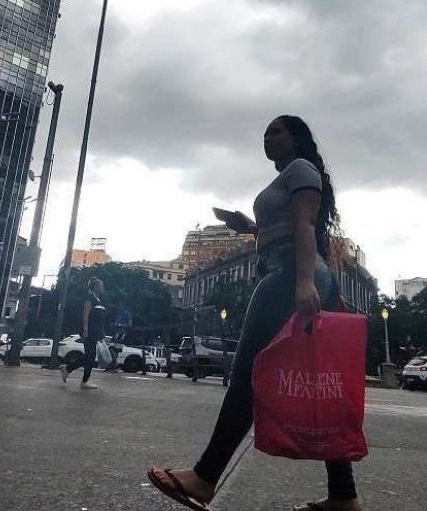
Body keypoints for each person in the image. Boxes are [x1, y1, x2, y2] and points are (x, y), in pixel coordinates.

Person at [148, 115, 360, 511]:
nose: (267, 137)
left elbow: (305, 223)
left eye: (276, 131)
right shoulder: (292, 175)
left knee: (249, 374)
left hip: (289, 271)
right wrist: (248, 226)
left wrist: (302, 282)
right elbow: (285, 226)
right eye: (264, 132)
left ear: (297, 139)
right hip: (296, 268)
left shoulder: (301, 168)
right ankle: (343, 497)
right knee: (323, 387)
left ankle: (205, 477)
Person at [61, 277, 106, 389]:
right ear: (95, 287)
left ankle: (68, 369)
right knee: (90, 356)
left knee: (89, 356)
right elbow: (85, 315)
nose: (103, 288)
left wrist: (101, 331)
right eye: (101, 286)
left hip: (95, 331)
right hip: (89, 331)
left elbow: (99, 318)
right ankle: (83, 380)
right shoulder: (89, 299)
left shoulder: (98, 300)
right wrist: (85, 330)